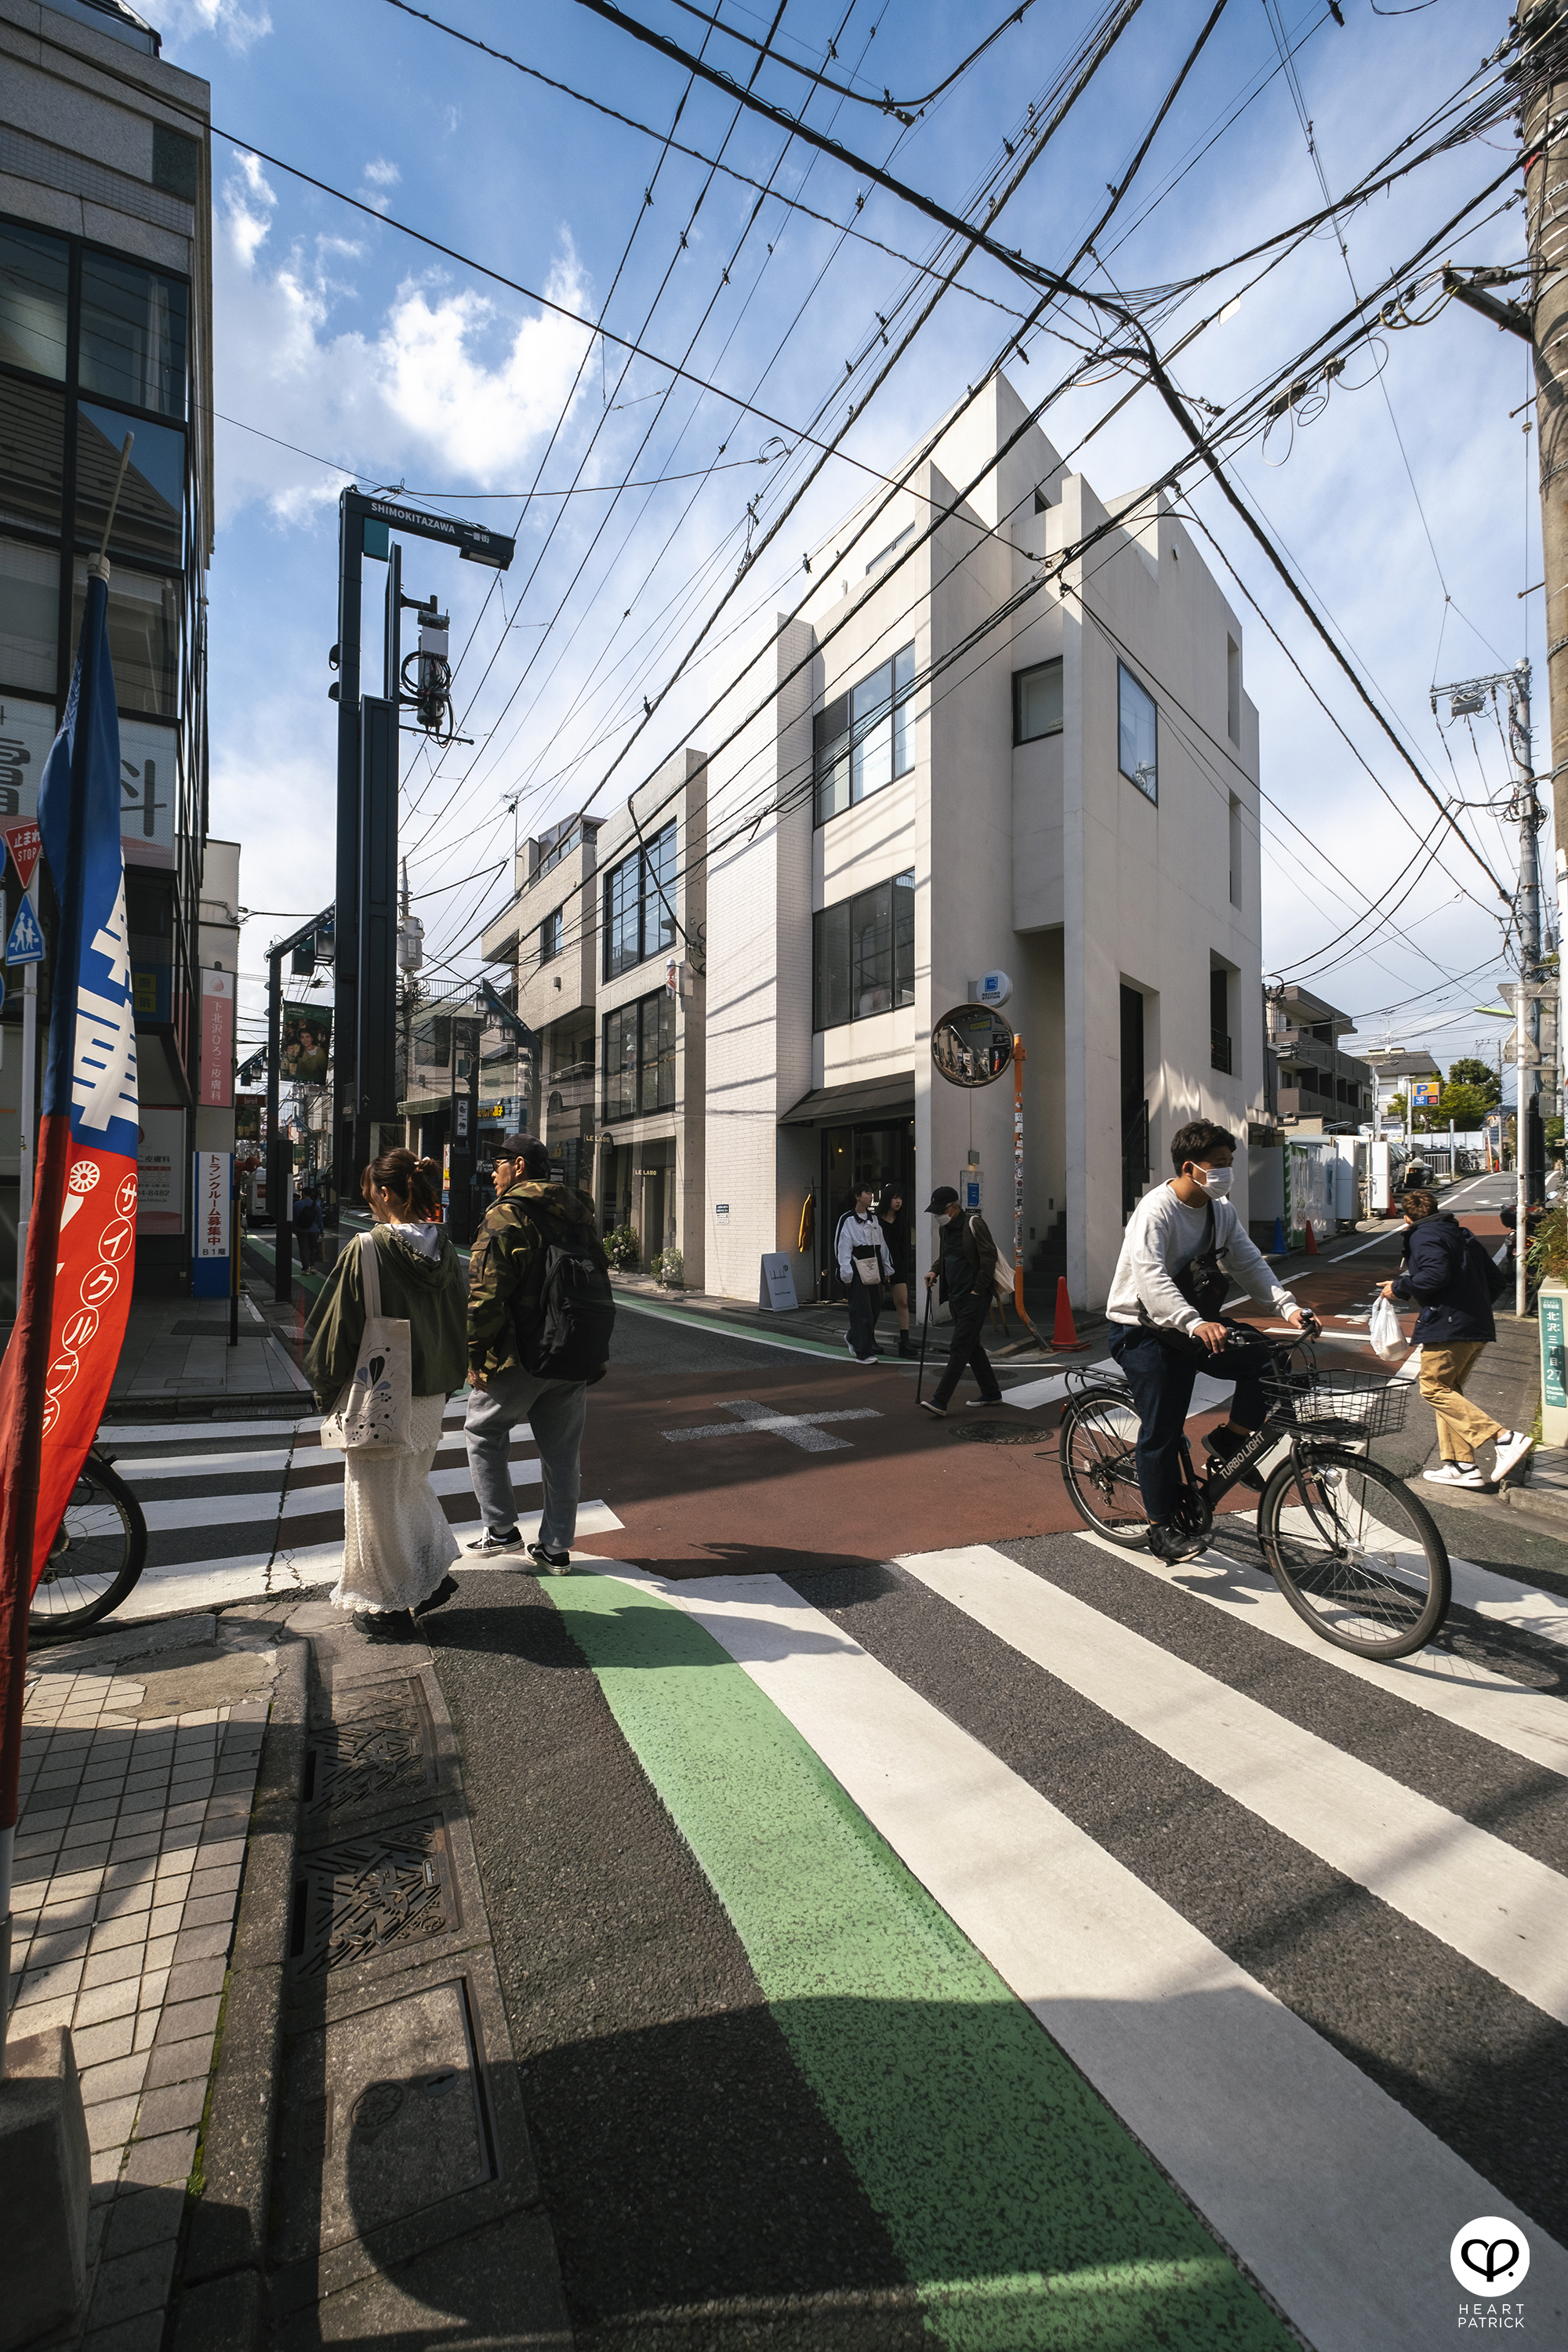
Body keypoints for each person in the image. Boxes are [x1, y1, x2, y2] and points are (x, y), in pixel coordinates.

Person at [1106, 1119, 1313, 1562]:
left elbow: (1250, 1264)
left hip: (1193, 1324)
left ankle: (1230, 1441)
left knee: (1269, 1360)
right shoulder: (1155, 1210)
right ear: (1190, 1167)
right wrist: (1194, 1321)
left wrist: (1289, 1308)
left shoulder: (1221, 1210)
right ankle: (1160, 1526)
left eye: (1229, 1163)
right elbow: (1151, 1277)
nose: (1227, 1171)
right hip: (1142, 1328)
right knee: (1163, 1428)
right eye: (1219, 1164)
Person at [303, 1149, 467, 1643]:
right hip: (431, 1392)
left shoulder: (369, 1249)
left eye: (371, 1191)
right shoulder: (445, 1249)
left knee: (372, 1499)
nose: (368, 1201)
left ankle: (388, 1605)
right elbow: (461, 1318)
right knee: (408, 1487)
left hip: (381, 1391)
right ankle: (428, 1575)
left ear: (387, 1193)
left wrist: (327, 1391)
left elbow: (338, 1331)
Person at [464, 1134, 611, 1570]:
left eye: (500, 1162)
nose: (494, 1171)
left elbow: (486, 1296)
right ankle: (556, 1547)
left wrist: (474, 1357)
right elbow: (599, 1275)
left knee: (482, 1433)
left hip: (518, 1355)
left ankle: (501, 1529)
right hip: (572, 1350)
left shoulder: (506, 1215)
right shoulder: (579, 1214)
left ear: (521, 1166)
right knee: (562, 1452)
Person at [1381, 1188, 1533, 1490]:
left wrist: (1399, 1287)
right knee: (1451, 1393)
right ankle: (1461, 1465)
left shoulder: (1423, 1236)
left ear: (1408, 1217)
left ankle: (1503, 1438)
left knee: (1434, 1389)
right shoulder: (1461, 1234)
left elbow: (1434, 1275)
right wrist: (1471, 1308)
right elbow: (1496, 1280)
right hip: (1475, 1326)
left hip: (1448, 1326)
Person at [919, 1186, 1005, 1416]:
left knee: (959, 1346)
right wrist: (934, 1271)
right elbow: (947, 1255)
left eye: (941, 1211)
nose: (939, 1216)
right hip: (955, 1295)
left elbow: (989, 1257)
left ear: (954, 1208)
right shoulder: (946, 1229)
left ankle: (940, 1400)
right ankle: (991, 1392)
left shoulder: (974, 1224)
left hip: (974, 1297)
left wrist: (978, 1290)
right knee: (972, 1346)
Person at [835, 1181, 892, 1363]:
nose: (871, 1196)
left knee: (875, 1308)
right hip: (857, 1268)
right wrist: (846, 1274)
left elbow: (882, 1245)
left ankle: (853, 1337)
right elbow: (842, 1248)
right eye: (867, 1193)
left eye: (872, 1193)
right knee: (862, 1310)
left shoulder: (874, 1219)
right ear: (857, 1196)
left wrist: (887, 1268)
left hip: (874, 1267)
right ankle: (863, 1352)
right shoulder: (847, 1220)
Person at [876, 1183, 916, 1359]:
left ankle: (904, 1341)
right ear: (887, 1199)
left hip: (897, 1265)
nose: (898, 1201)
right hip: (878, 1266)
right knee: (875, 1303)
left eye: (900, 1198)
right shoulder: (875, 1220)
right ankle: (869, 1337)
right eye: (895, 1198)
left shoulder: (902, 1220)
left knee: (903, 1302)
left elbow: (904, 1246)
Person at [292, 1184, 324, 1274]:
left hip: (301, 1230)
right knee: (313, 1248)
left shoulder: (297, 1205)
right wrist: (321, 1231)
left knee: (303, 1249)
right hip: (314, 1230)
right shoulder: (316, 1205)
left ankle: (306, 1268)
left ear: (303, 1193)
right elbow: (320, 1219)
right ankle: (313, 1267)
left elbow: (294, 1218)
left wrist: (294, 1229)